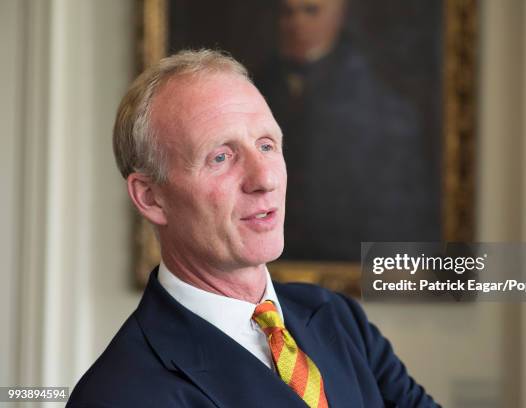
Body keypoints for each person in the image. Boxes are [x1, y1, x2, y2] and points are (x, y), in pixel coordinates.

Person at [67, 49, 439, 407]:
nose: (264, 179)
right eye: (221, 156)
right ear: (150, 197)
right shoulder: (120, 395)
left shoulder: (338, 317)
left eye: (266, 145)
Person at [256, 0, 441, 261]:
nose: (297, 22)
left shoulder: (384, 108)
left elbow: (401, 215)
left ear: (338, 14)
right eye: (288, 13)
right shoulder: (253, 88)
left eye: (310, 10)